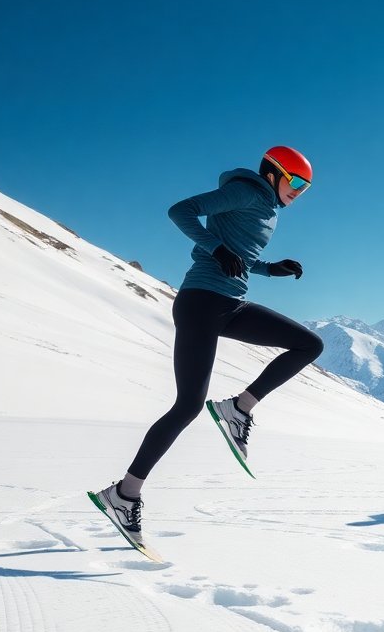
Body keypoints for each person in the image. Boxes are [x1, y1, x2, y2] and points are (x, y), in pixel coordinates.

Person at [88, 147, 323, 550]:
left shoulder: (268, 207)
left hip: (229, 304)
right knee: (188, 405)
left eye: (307, 188)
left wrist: (271, 268)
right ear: (274, 173)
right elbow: (181, 210)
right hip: (202, 302)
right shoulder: (247, 192)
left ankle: (239, 407)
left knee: (308, 344)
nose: (300, 192)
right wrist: (215, 249)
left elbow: (240, 254)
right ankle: (124, 495)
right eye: (297, 182)